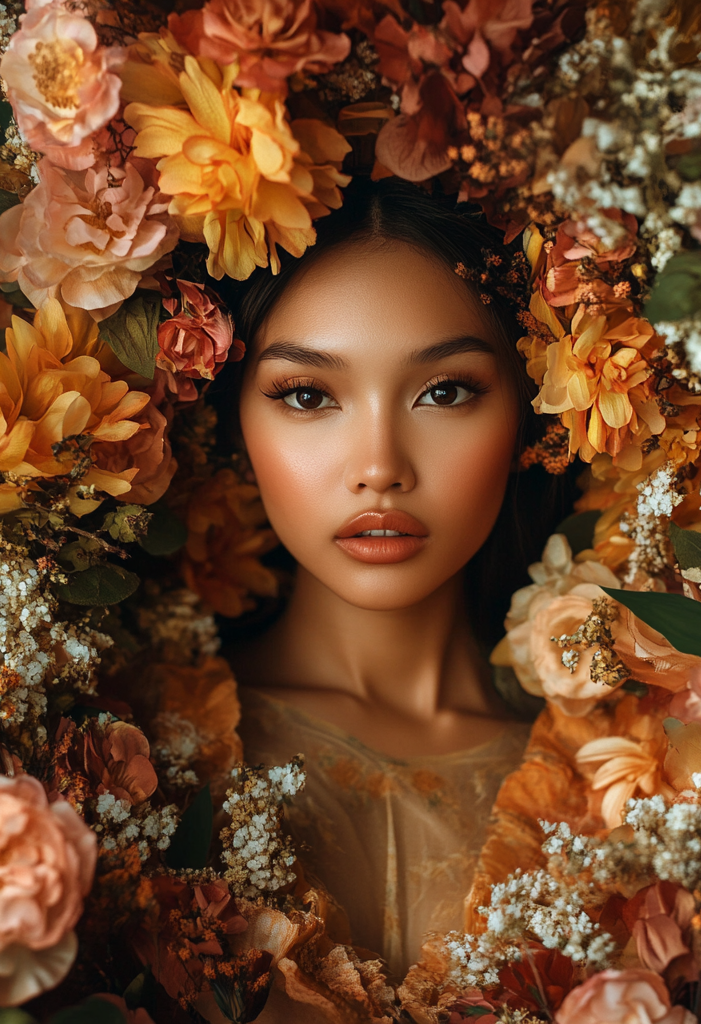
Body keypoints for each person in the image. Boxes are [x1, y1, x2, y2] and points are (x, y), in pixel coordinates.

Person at [219, 179, 566, 998]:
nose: (380, 466)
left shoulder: (618, 776)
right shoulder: (133, 748)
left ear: (529, 410)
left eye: (444, 392)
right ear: (235, 421)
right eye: (308, 395)